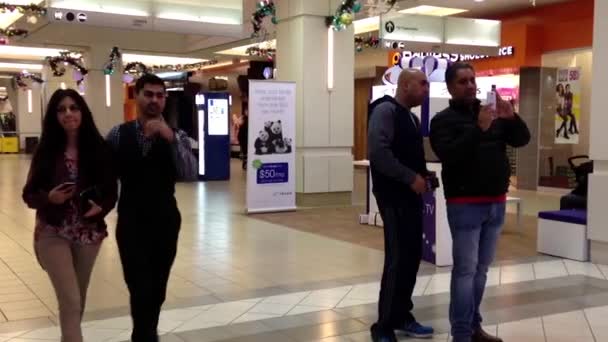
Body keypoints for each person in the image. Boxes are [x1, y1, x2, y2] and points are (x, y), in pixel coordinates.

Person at [430, 63, 530, 342]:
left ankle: (473, 327)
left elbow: (522, 140)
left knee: (481, 270)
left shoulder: (493, 114)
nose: (471, 85)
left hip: (496, 203)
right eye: (463, 81)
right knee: (465, 271)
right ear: (450, 86)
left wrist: (512, 118)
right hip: (465, 205)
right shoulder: (443, 120)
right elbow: (449, 154)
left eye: (473, 80)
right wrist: (478, 128)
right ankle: (461, 334)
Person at [106, 73, 197, 342]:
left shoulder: (177, 136)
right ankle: (143, 336)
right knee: (139, 285)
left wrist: (170, 138)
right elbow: (103, 172)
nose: (154, 100)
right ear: (137, 96)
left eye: (160, 95)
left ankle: (147, 333)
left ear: (165, 99)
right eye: (149, 94)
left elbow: (191, 173)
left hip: (165, 221)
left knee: (157, 288)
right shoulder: (118, 135)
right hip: (131, 221)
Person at [22, 89, 117, 342]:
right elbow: (29, 194)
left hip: (87, 232)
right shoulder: (46, 152)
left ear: (82, 111)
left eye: (73, 108)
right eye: (61, 109)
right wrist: (49, 198)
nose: (68, 114)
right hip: (52, 231)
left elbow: (111, 192)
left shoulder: (99, 149)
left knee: (77, 300)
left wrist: (102, 207)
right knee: (71, 299)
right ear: (54, 116)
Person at [368, 69, 435, 342]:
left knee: (410, 258)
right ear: (405, 85)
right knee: (397, 260)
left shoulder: (411, 117)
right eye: (422, 83)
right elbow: (379, 153)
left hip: (410, 197)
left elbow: (407, 154)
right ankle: (382, 326)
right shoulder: (386, 111)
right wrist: (410, 178)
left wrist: (424, 176)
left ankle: (402, 315)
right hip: (393, 197)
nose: (426, 89)